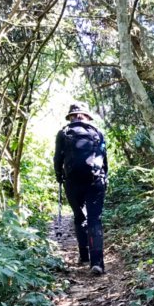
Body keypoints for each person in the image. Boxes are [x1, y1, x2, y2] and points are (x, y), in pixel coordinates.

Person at [53, 102, 108, 275]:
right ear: (87, 117)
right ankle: (97, 262)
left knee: (79, 217)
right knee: (94, 219)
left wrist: (59, 176)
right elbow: (103, 158)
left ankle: (84, 255)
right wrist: (104, 177)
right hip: (95, 180)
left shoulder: (63, 133)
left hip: (72, 181)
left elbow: (57, 159)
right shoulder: (97, 133)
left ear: (71, 117)